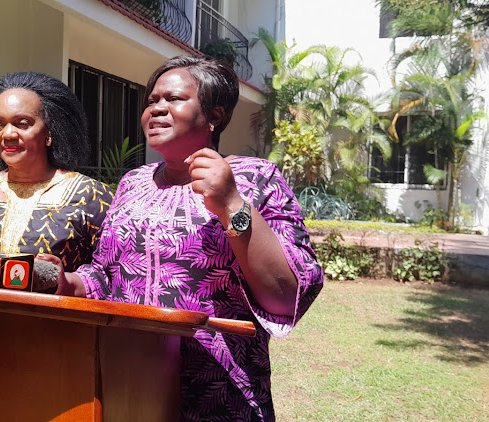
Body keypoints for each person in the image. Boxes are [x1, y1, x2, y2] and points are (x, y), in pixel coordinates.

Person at [40, 55, 324, 421]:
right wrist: (69, 283)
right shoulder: (133, 183)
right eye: (151, 101)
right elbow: (106, 275)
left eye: (172, 99)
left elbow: (287, 295)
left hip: (220, 393)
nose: (156, 109)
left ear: (215, 116)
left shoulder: (256, 178)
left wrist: (230, 203)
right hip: (129, 385)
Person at [0, 72, 113, 273]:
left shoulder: (90, 196)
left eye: (22, 123)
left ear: (49, 132)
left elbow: (110, 275)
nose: (7, 134)